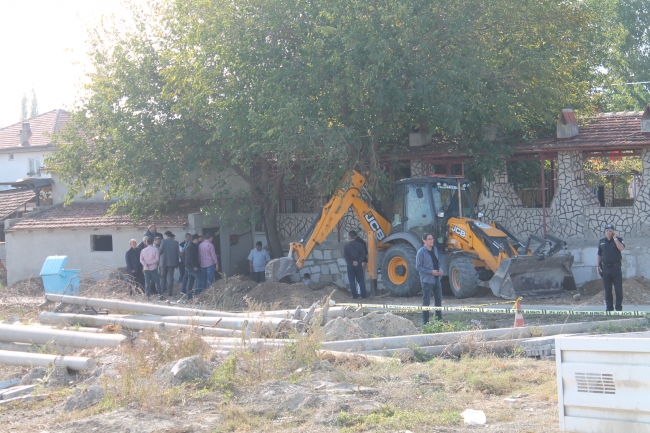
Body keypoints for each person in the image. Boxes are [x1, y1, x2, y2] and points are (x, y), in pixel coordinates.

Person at [415, 232, 443, 323]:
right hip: (427, 280)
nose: (431, 241)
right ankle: (425, 322)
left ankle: (438, 321)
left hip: (437, 279)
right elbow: (418, 267)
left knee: (438, 301)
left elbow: (438, 262)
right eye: (429, 239)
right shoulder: (421, 252)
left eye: (432, 239)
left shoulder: (435, 249)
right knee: (426, 301)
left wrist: (440, 269)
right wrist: (431, 272)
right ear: (424, 241)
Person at [597, 223, 625, 311]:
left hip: (616, 269)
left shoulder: (618, 240)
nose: (608, 232)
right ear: (605, 232)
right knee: (607, 290)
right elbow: (599, 254)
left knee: (618, 290)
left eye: (610, 231)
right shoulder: (601, 241)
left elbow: (621, 248)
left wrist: (615, 238)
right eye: (607, 231)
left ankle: (619, 308)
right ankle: (609, 308)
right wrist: (598, 266)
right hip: (605, 269)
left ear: (613, 232)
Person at [344, 230, 367, 299]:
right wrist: (358, 261)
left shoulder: (346, 246)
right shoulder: (361, 245)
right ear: (355, 237)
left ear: (349, 238)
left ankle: (354, 296)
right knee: (361, 280)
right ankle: (363, 295)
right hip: (358, 265)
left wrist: (352, 262)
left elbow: (346, 256)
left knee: (352, 281)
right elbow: (363, 255)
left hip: (350, 266)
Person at [159, 231, 180, 296]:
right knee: (170, 277)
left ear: (167, 235)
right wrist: (177, 263)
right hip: (172, 262)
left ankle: (162, 291)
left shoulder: (163, 241)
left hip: (163, 262)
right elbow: (177, 254)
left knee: (163, 276)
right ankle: (170, 292)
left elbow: (160, 250)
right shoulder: (176, 242)